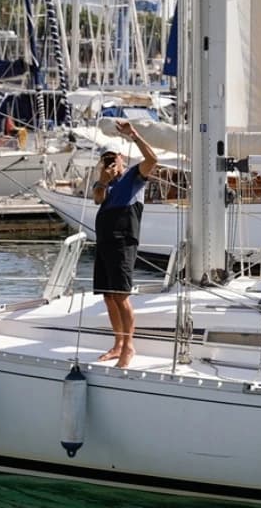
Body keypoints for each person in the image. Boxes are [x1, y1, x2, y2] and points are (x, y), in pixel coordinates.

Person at [92, 118, 159, 368]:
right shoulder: (104, 183)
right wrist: (103, 180)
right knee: (108, 296)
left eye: (113, 158)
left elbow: (152, 160)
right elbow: (97, 199)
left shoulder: (133, 176)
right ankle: (118, 343)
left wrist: (134, 135)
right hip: (104, 241)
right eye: (105, 159)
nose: (110, 162)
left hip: (122, 241)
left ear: (121, 158)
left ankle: (129, 346)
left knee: (121, 295)